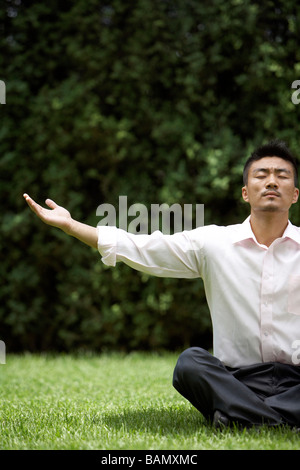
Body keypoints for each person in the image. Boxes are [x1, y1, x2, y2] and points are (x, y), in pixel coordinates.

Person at [24, 139, 300, 429]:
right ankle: (278, 420)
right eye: (261, 175)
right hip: (236, 381)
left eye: (281, 176)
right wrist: (71, 226)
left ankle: (240, 417)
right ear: (246, 192)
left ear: (294, 194)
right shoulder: (215, 243)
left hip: (295, 381)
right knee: (190, 364)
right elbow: (145, 248)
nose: (271, 182)